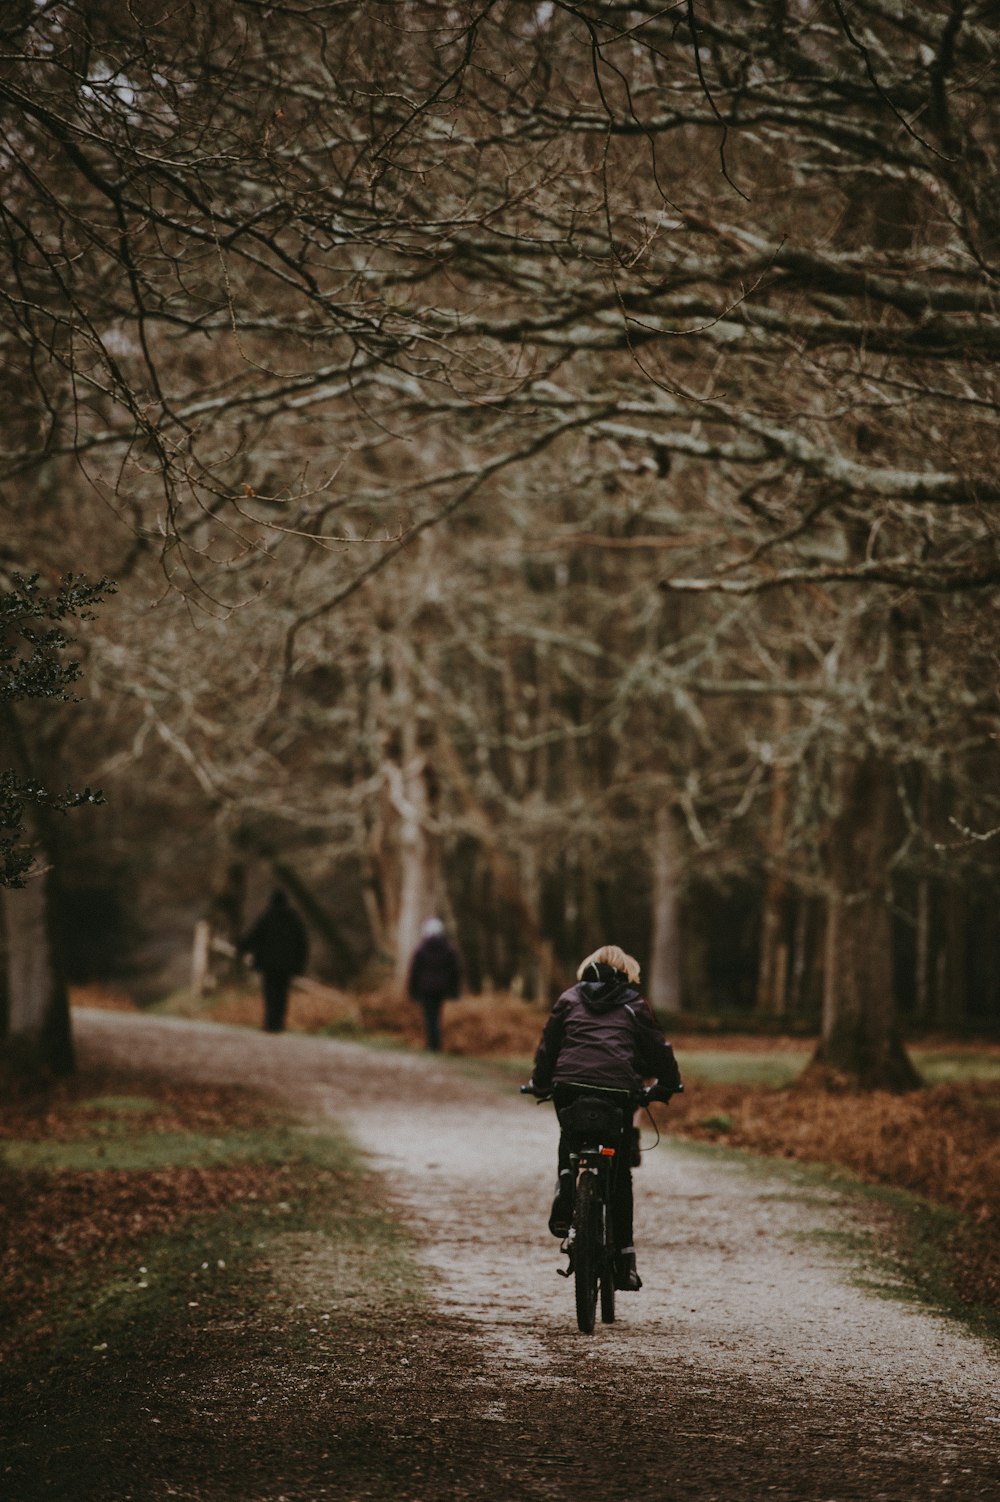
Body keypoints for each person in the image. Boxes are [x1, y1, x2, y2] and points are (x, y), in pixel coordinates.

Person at [527, 944, 682, 1292]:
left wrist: (540, 1083)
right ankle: (625, 1258)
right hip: (618, 1090)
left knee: (569, 1137)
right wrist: (668, 1084)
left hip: (569, 1085)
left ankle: (567, 1187)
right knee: (621, 1173)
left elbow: (549, 1045)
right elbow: (659, 1048)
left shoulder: (568, 998)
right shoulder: (634, 1004)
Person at [238, 887, 309, 1033]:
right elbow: (303, 944)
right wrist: (300, 965)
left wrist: (241, 947)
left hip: (268, 965)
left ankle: (270, 1023)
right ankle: (279, 1023)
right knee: (282, 994)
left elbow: (254, 936)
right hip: (287, 966)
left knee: (270, 994)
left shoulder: (267, 917)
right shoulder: (294, 919)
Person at [406, 917, 462, 1051]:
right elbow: (456, 971)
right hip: (442, 988)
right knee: (437, 1014)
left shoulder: (421, 949)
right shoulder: (449, 949)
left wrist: (412, 990)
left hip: (425, 988)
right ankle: (436, 1043)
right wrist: (455, 990)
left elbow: (414, 971)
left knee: (429, 1016)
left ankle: (433, 1044)